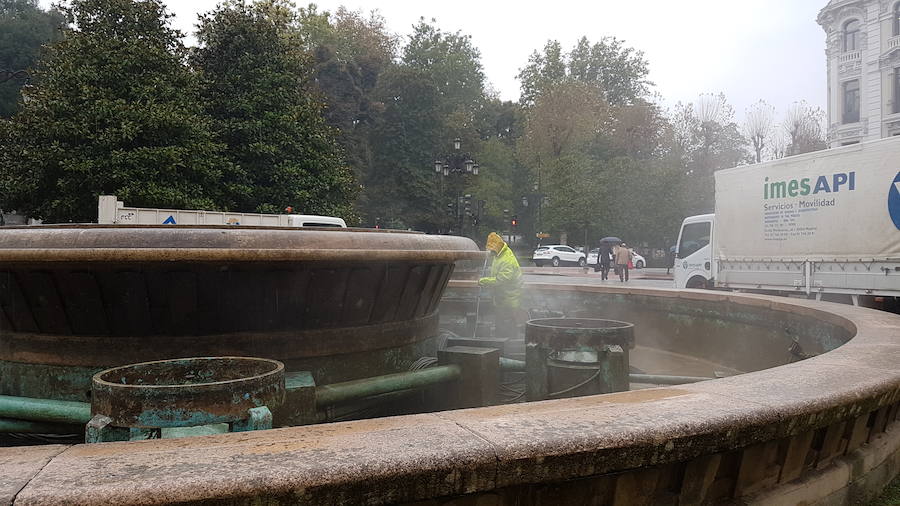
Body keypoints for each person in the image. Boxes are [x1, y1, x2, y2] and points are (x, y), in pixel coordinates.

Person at [478, 232, 522, 338]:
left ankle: (508, 344)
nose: (490, 251)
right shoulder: (499, 255)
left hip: (509, 296)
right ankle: (501, 340)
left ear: (496, 247)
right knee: (501, 320)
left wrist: (483, 281)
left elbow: (500, 280)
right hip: (502, 296)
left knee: (508, 321)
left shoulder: (507, 261)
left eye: (491, 249)